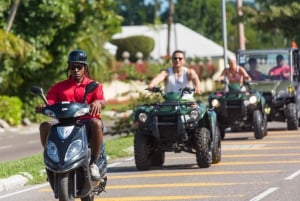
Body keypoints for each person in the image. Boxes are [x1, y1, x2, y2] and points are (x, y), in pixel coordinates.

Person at [36, 50, 105, 181]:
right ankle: (51, 163)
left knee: (96, 123)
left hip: (86, 123)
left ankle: (94, 163)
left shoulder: (94, 85)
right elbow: (50, 102)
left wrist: (97, 102)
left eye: (80, 67)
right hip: (64, 123)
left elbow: (102, 100)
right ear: (69, 68)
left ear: (85, 68)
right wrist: (43, 107)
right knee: (44, 126)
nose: (76, 70)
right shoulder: (59, 87)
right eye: (73, 67)